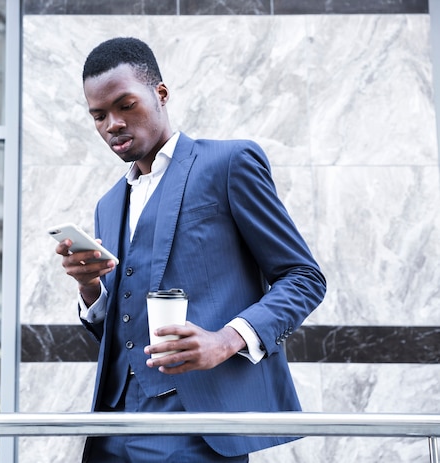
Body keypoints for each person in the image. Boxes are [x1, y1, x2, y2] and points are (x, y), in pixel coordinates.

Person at [54, 37, 326, 463]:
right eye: (99, 115)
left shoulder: (228, 163)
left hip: (195, 425)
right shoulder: (108, 204)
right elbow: (119, 325)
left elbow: (304, 278)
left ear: (160, 94)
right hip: (112, 426)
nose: (113, 124)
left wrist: (226, 340)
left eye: (126, 105)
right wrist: (91, 289)